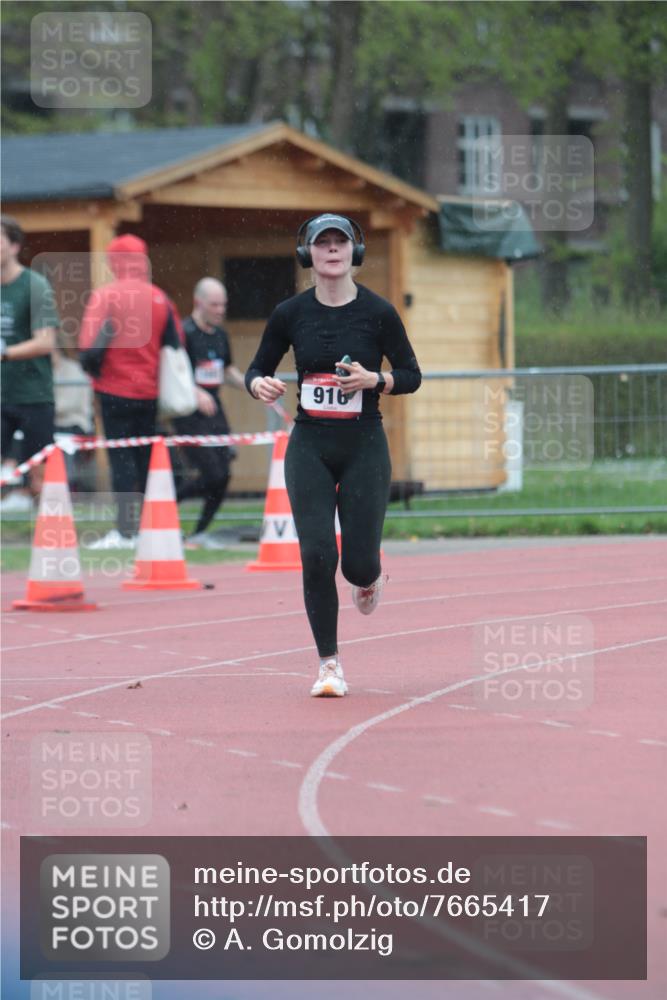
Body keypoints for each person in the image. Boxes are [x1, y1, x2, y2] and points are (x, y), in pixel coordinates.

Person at [246, 213, 421, 697]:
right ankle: (329, 665)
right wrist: (258, 383)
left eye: (339, 242)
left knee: (356, 565)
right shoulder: (290, 313)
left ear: (353, 253)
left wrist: (375, 380)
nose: (330, 250)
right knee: (317, 554)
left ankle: (369, 578)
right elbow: (257, 367)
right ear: (308, 255)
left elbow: (411, 373)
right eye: (321, 243)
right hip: (310, 446)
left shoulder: (379, 313)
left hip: (364, 445)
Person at [79, 233, 183, 549]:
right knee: (146, 461)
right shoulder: (160, 297)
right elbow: (177, 346)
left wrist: (96, 371)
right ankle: (152, 527)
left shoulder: (106, 296)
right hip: (149, 393)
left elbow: (87, 350)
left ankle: (125, 532)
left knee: (121, 460)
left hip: (113, 390)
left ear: (114, 262)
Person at [173, 278, 245, 549]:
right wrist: (195, 391)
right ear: (198, 303)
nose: (220, 310)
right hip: (189, 413)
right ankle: (164, 504)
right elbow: (173, 373)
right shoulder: (183, 332)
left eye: (223, 305)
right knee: (212, 474)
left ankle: (199, 533)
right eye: (214, 305)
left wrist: (252, 385)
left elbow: (226, 370)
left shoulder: (220, 334)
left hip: (216, 411)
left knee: (224, 475)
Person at [1, 215, 60, 512]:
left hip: (33, 394)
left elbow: (46, 341)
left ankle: (50, 532)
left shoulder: (34, 285)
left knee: (40, 475)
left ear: (14, 246)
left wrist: (5, 353)